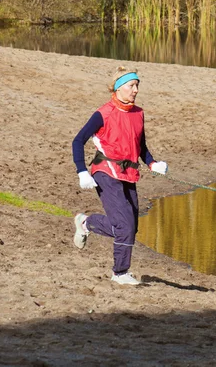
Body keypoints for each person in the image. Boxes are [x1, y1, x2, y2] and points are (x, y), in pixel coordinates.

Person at [71, 66, 168, 285]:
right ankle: (120, 273)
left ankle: (86, 223)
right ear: (118, 88)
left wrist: (152, 163)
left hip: (129, 174)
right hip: (105, 172)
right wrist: (82, 171)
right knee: (125, 227)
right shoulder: (103, 113)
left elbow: (140, 145)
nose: (135, 90)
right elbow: (78, 141)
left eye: (137, 86)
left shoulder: (138, 113)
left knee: (130, 226)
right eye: (131, 86)